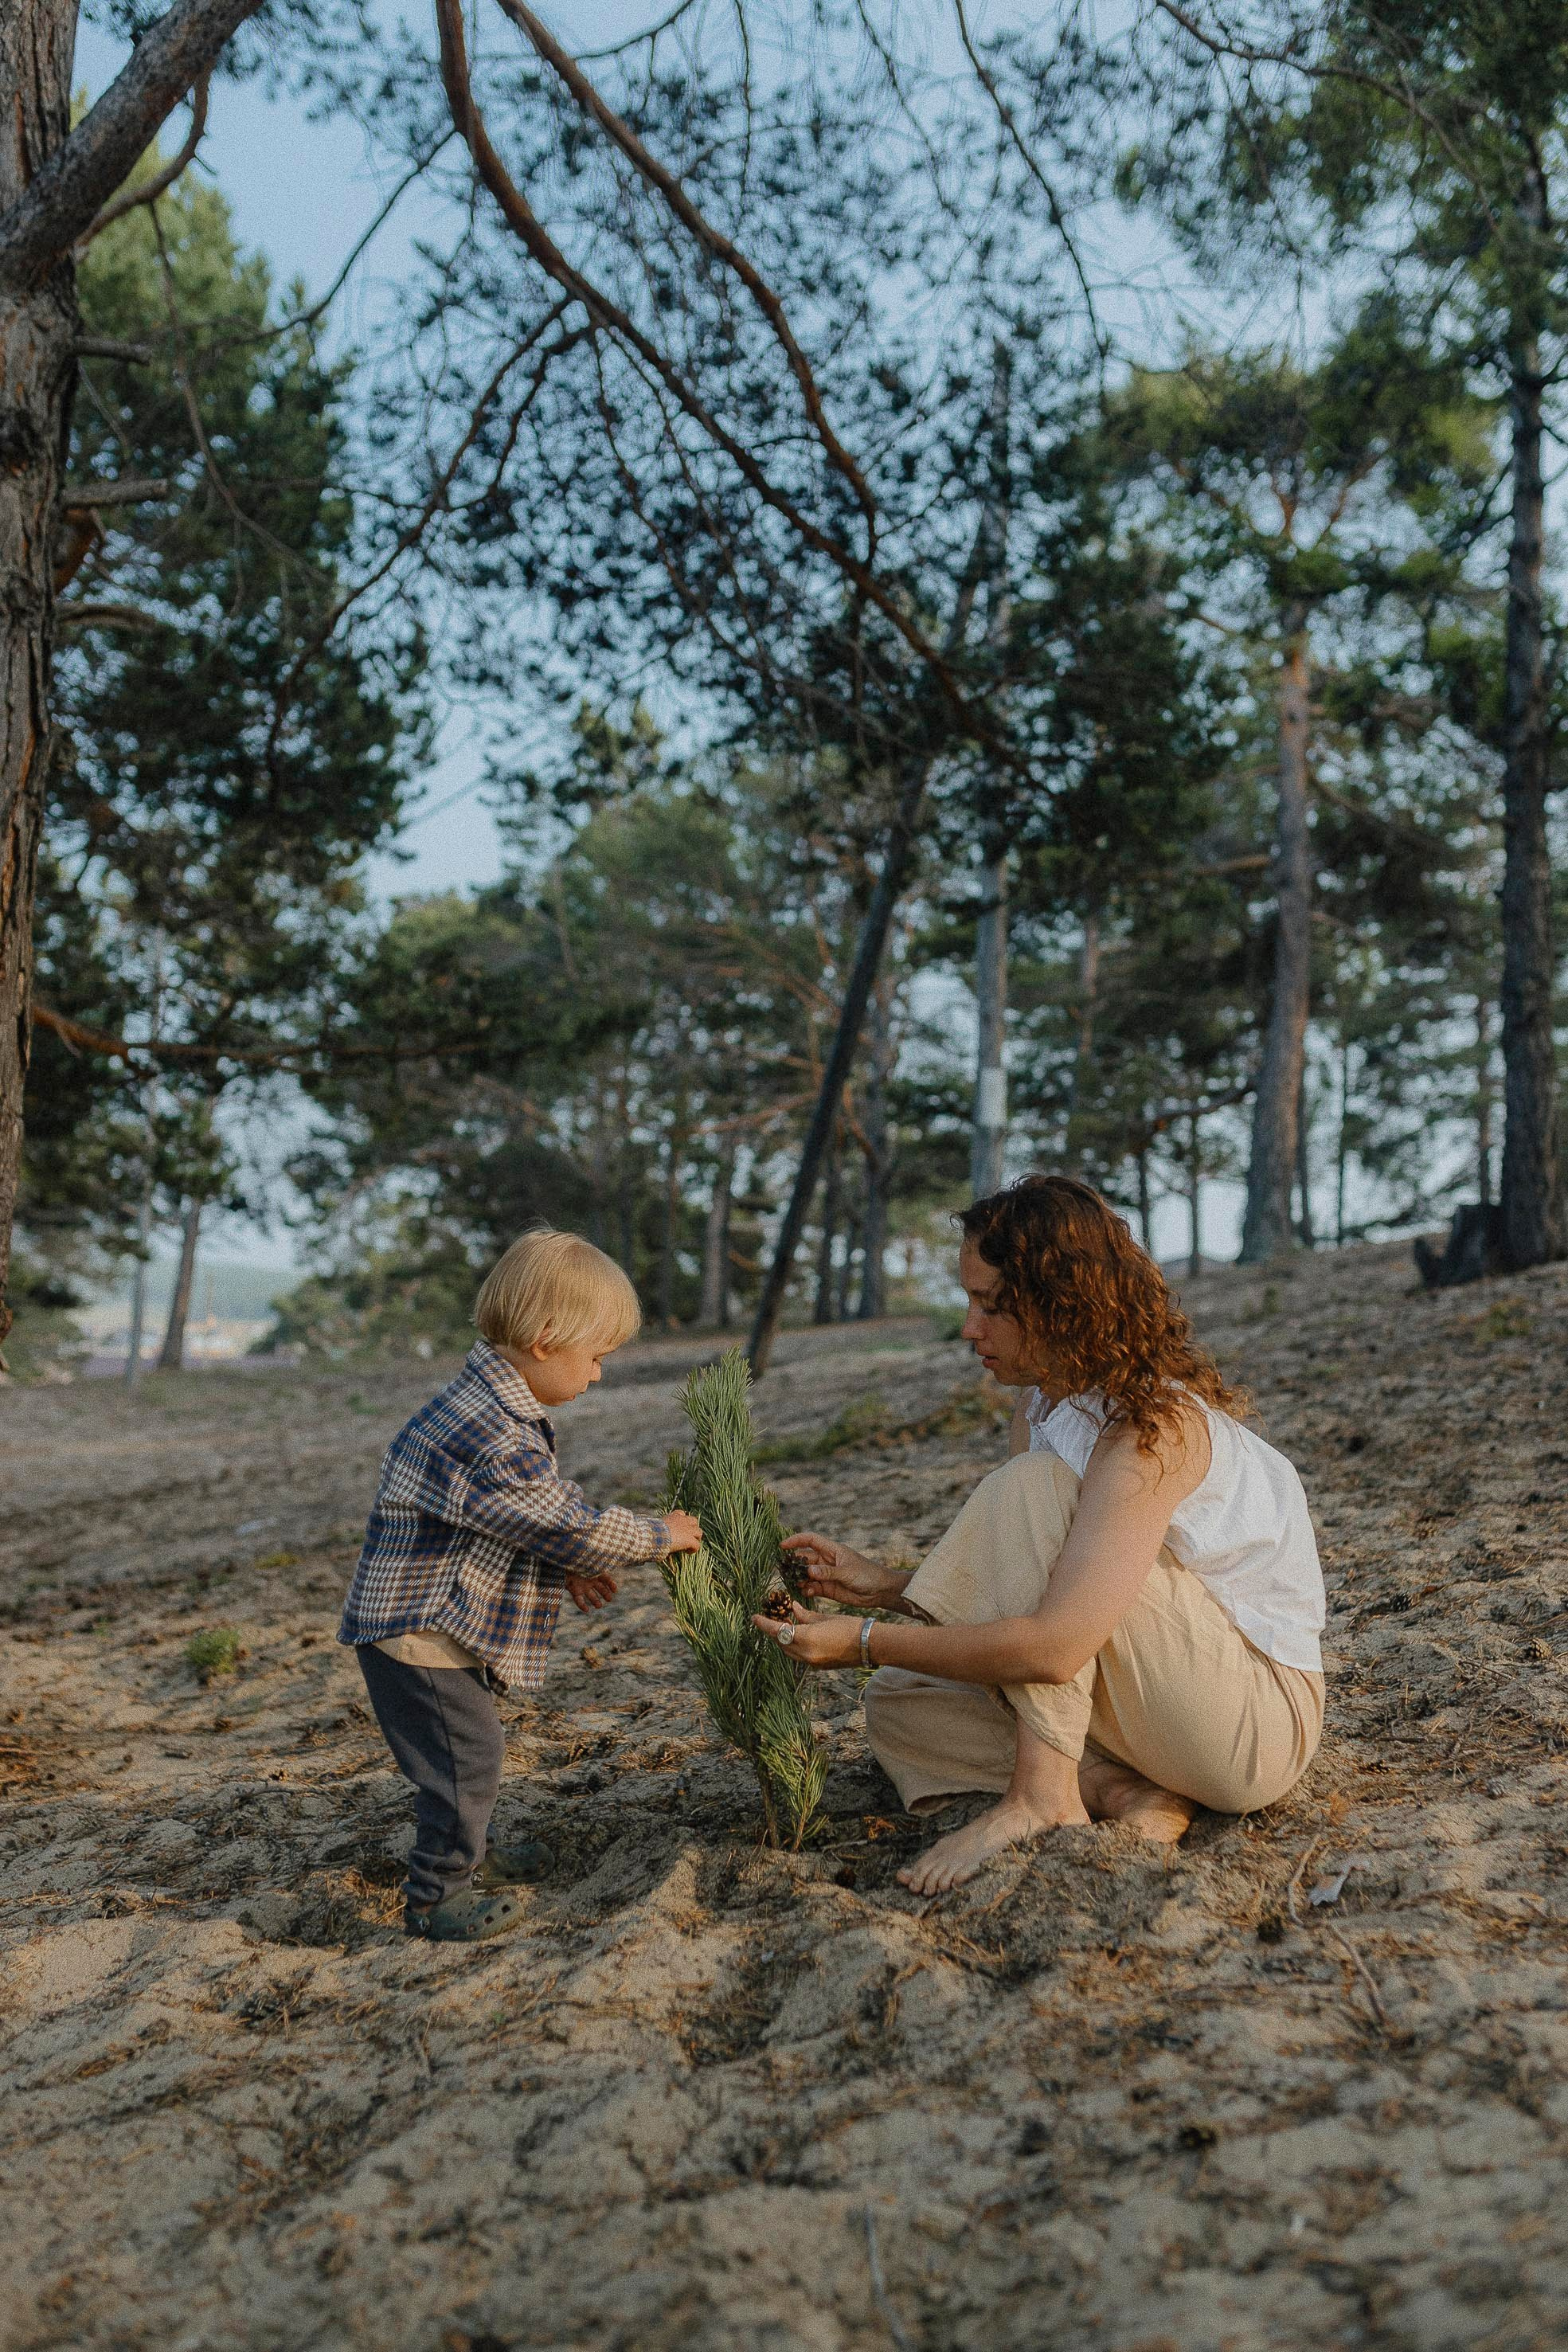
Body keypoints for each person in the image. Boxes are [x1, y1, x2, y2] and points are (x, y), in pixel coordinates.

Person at [756, 1176, 1325, 1894]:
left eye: (992, 1305)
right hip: (1159, 1695)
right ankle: (1123, 1792)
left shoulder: (1151, 1429)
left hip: (1252, 1723)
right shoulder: (1042, 1407)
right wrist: (885, 1587)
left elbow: (1056, 1648)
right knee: (901, 1701)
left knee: (1031, 1487)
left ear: (1064, 1306)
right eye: (970, 1301)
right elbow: (1032, 1577)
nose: (970, 1329)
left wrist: (861, 1640)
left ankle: (1042, 1796)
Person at [338, 1226, 702, 1941]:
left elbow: (500, 1518)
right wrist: (661, 1534)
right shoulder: (493, 1431)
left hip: (422, 1621)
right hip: (419, 1634)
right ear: (544, 1338)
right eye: (594, 1356)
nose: (596, 1374)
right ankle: (437, 1895)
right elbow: (565, 1518)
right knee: (465, 1759)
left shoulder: (485, 1403)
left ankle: (476, 1849)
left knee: (464, 1755)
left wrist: (562, 1564)